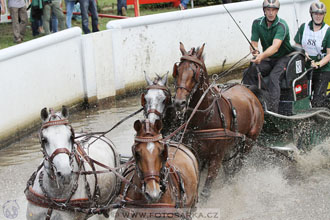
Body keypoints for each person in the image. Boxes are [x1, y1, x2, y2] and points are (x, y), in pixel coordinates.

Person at [242, 0, 293, 113]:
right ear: (264, 10)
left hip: (283, 58)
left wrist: (261, 56)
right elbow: (254, 43)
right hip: (268, 58)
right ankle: (248, 103)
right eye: (268, 10)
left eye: (273, 10)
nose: (270, 13)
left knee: (274, 78)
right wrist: (254, 50)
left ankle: (272, 110)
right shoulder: (257, 23)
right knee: (249, 71)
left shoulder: (282, 25)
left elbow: (275, 47)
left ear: (277, 11)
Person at [294, 2, 330, 108]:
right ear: (311, 14)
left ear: (324, 15)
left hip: (323, 69)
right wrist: (303, 53)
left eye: (321, 14)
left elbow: (329, 55)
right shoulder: (304, 27)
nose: (318, 16)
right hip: (306, 68)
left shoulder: (327, 31)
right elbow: (296, 46)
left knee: (317, 101)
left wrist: (318, 64)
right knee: (302, 97)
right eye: (316, 14)